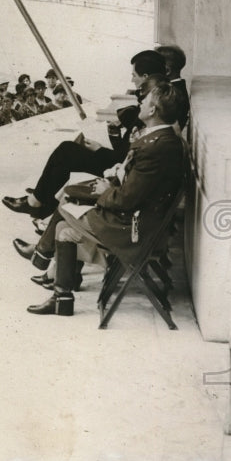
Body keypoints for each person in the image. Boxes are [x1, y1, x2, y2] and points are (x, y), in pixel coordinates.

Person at [23, 81, 187, 317]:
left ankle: (58, 290)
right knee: (66, 220)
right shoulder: (164, 140)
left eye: (145, 100)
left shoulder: (155, 148)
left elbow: (125, 200)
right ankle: (60, 294)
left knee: (67, 211)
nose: (139, 102)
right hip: (144, 221)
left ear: (152, 111)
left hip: (131, 228)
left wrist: (104, 191)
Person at [2, 50, 168, 218]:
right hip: (119, 160)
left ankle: (37, 201)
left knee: (66, 151)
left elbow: (126, 156)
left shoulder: (154, 111)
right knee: (67, 153)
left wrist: (98, 149)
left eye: (134, 75)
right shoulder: (160, 101)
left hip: (115, 166)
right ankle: (41, 199)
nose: (132, 80)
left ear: (145, 76)